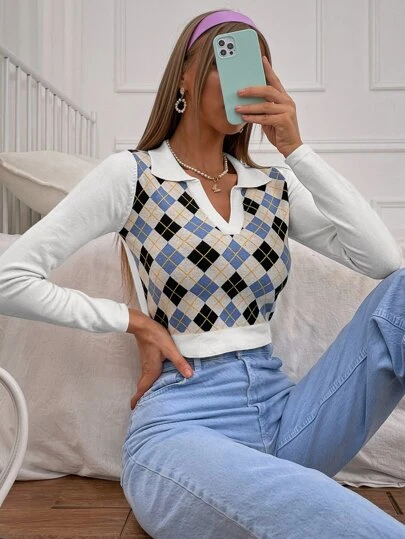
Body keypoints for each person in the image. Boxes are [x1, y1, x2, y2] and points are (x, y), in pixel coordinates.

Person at [1, 7, 405, 538]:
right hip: (181, 428)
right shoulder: (135, 174)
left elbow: (384, 263)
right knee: (326, 514)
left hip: (285, 419)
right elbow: (9, 279)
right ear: (185, 76)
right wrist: (133, 321)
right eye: (227, 61)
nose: (244, 81)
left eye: (256, 68)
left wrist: (296, 149)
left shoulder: (272, 186)